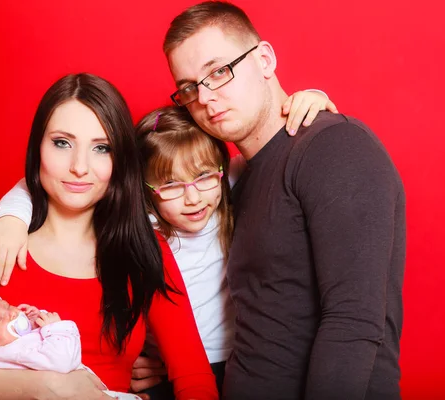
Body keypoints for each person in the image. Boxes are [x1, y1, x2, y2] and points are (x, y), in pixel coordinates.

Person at [0, 90, 336, 400]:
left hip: (241, 358)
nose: (192, 198)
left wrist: (312, 101)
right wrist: (12, 218)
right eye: (170, 186)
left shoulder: (225, 181)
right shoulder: (142, 224)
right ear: (143, 190)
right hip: (164, 367)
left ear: (219, 169)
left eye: (202, 178)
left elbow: (276, 152)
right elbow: (45, 183)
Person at [0, 73, 219, 400]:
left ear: (119, 161)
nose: (79, 167)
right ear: (38, 146)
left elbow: (195, 378)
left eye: (101, 148)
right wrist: (47, 389)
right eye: (62, 142)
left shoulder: (144, 249)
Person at [161, 2, 406, 400]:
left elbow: (354, 321)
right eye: (189, 87)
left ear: (264, 60)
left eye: (219, 72)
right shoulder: (233, 179)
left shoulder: (334, 146)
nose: (205, 98)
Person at [0, 282, 141, 399]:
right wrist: (55, 327)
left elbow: (39, 351)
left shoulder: (9, 349)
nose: (11, 314)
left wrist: (35, 320)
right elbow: (61, 362)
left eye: (6, 305)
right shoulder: (14, 352)